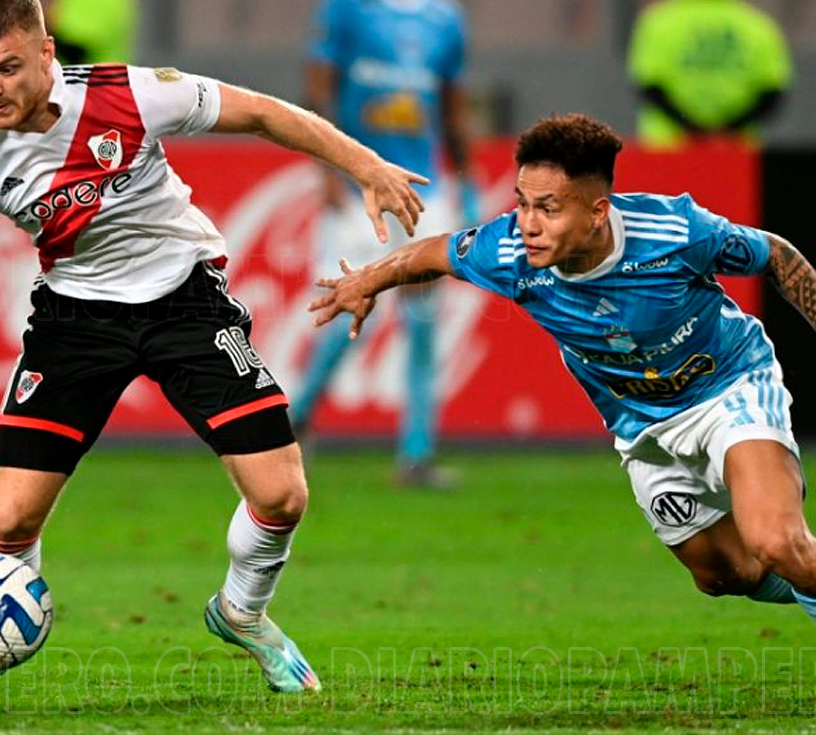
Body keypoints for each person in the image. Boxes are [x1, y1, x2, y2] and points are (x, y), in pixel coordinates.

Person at [0, 0, 424, 694]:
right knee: (12, 514)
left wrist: (363, 165)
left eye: (7, 68)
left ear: (45, 53)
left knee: (282, 497)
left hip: (185, 301)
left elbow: (264, 114)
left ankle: (242, 613)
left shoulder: (130, 94)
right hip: (75, 318)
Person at [312, 113, 816, 627]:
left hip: (728, 386)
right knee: (723, 576)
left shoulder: (676, 233)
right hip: (642, 427)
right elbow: (433, 253)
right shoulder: (509, 250)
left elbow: (774, 254)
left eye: (548, 209)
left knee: (777, 543)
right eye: (523, 203)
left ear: (598, 213)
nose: (529, 223)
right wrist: (367, 282)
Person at [295, 0, 477, 487]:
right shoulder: (347, 5)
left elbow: (451, 102)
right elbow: (320, 85)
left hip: (423, 189)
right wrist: (326, 167)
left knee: (423, 322)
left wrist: (467, 179)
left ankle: (416, 454)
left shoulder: (444, 16)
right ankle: (295, 422)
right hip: (359, 189)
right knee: (349, 304)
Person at [629, 0, 791, 148]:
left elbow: (650, 88)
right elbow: (772, 93)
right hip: (737, 156)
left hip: (670, 154)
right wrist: (727, 131)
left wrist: (695, 131)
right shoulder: (758, 26)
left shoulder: (658, 23)